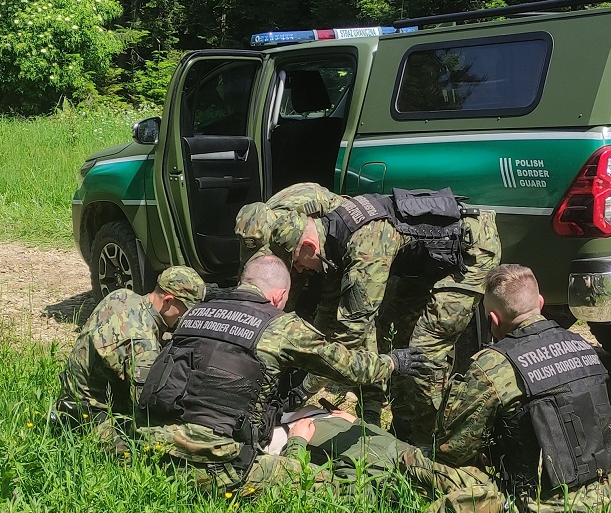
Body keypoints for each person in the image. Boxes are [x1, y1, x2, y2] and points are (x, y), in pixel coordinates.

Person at [289, 264, 611, 513]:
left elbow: (450, 450)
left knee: (407, 459)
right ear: (541, 304)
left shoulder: (494, 366)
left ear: (492, 319)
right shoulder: (584, 349)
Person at [136, 254, 433, 493]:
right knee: (343, 486)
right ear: (279, 296)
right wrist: (393, 362)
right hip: (217, 465)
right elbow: (348, 367)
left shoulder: (193, 313)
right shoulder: (281, 327)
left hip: (157, 449)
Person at [235, 182, 500, 439]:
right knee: (391, 334)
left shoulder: (364, 251)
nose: (300, 271)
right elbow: (332, 319)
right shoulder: (331, 231)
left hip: (470, 253)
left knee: (424, 347)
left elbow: (350, 336)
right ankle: (403, 430)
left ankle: (431, 441)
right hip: (426, 262)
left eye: (298, 263)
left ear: (309, 246)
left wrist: (302, 390)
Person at [56, 266, 206, 454]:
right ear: (168, 301)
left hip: (71, 394)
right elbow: (144, 411)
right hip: (88, 414)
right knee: (141, 453)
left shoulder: (122, 296)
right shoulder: (143, 345)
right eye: (184, 311)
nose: (184, 318)